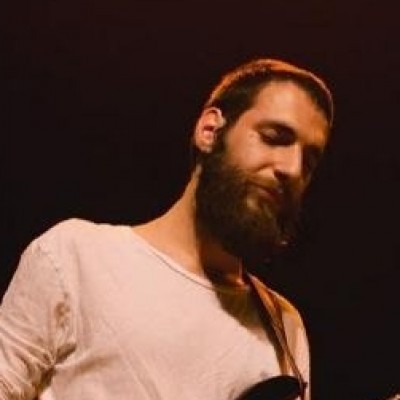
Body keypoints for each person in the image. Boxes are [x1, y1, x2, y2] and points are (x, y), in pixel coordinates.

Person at [0, 58, 333, 400]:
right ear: (210, 130)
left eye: (309, 161)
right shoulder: (76, 256)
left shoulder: (284, 326)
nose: (292, 169)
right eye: (274, 138)